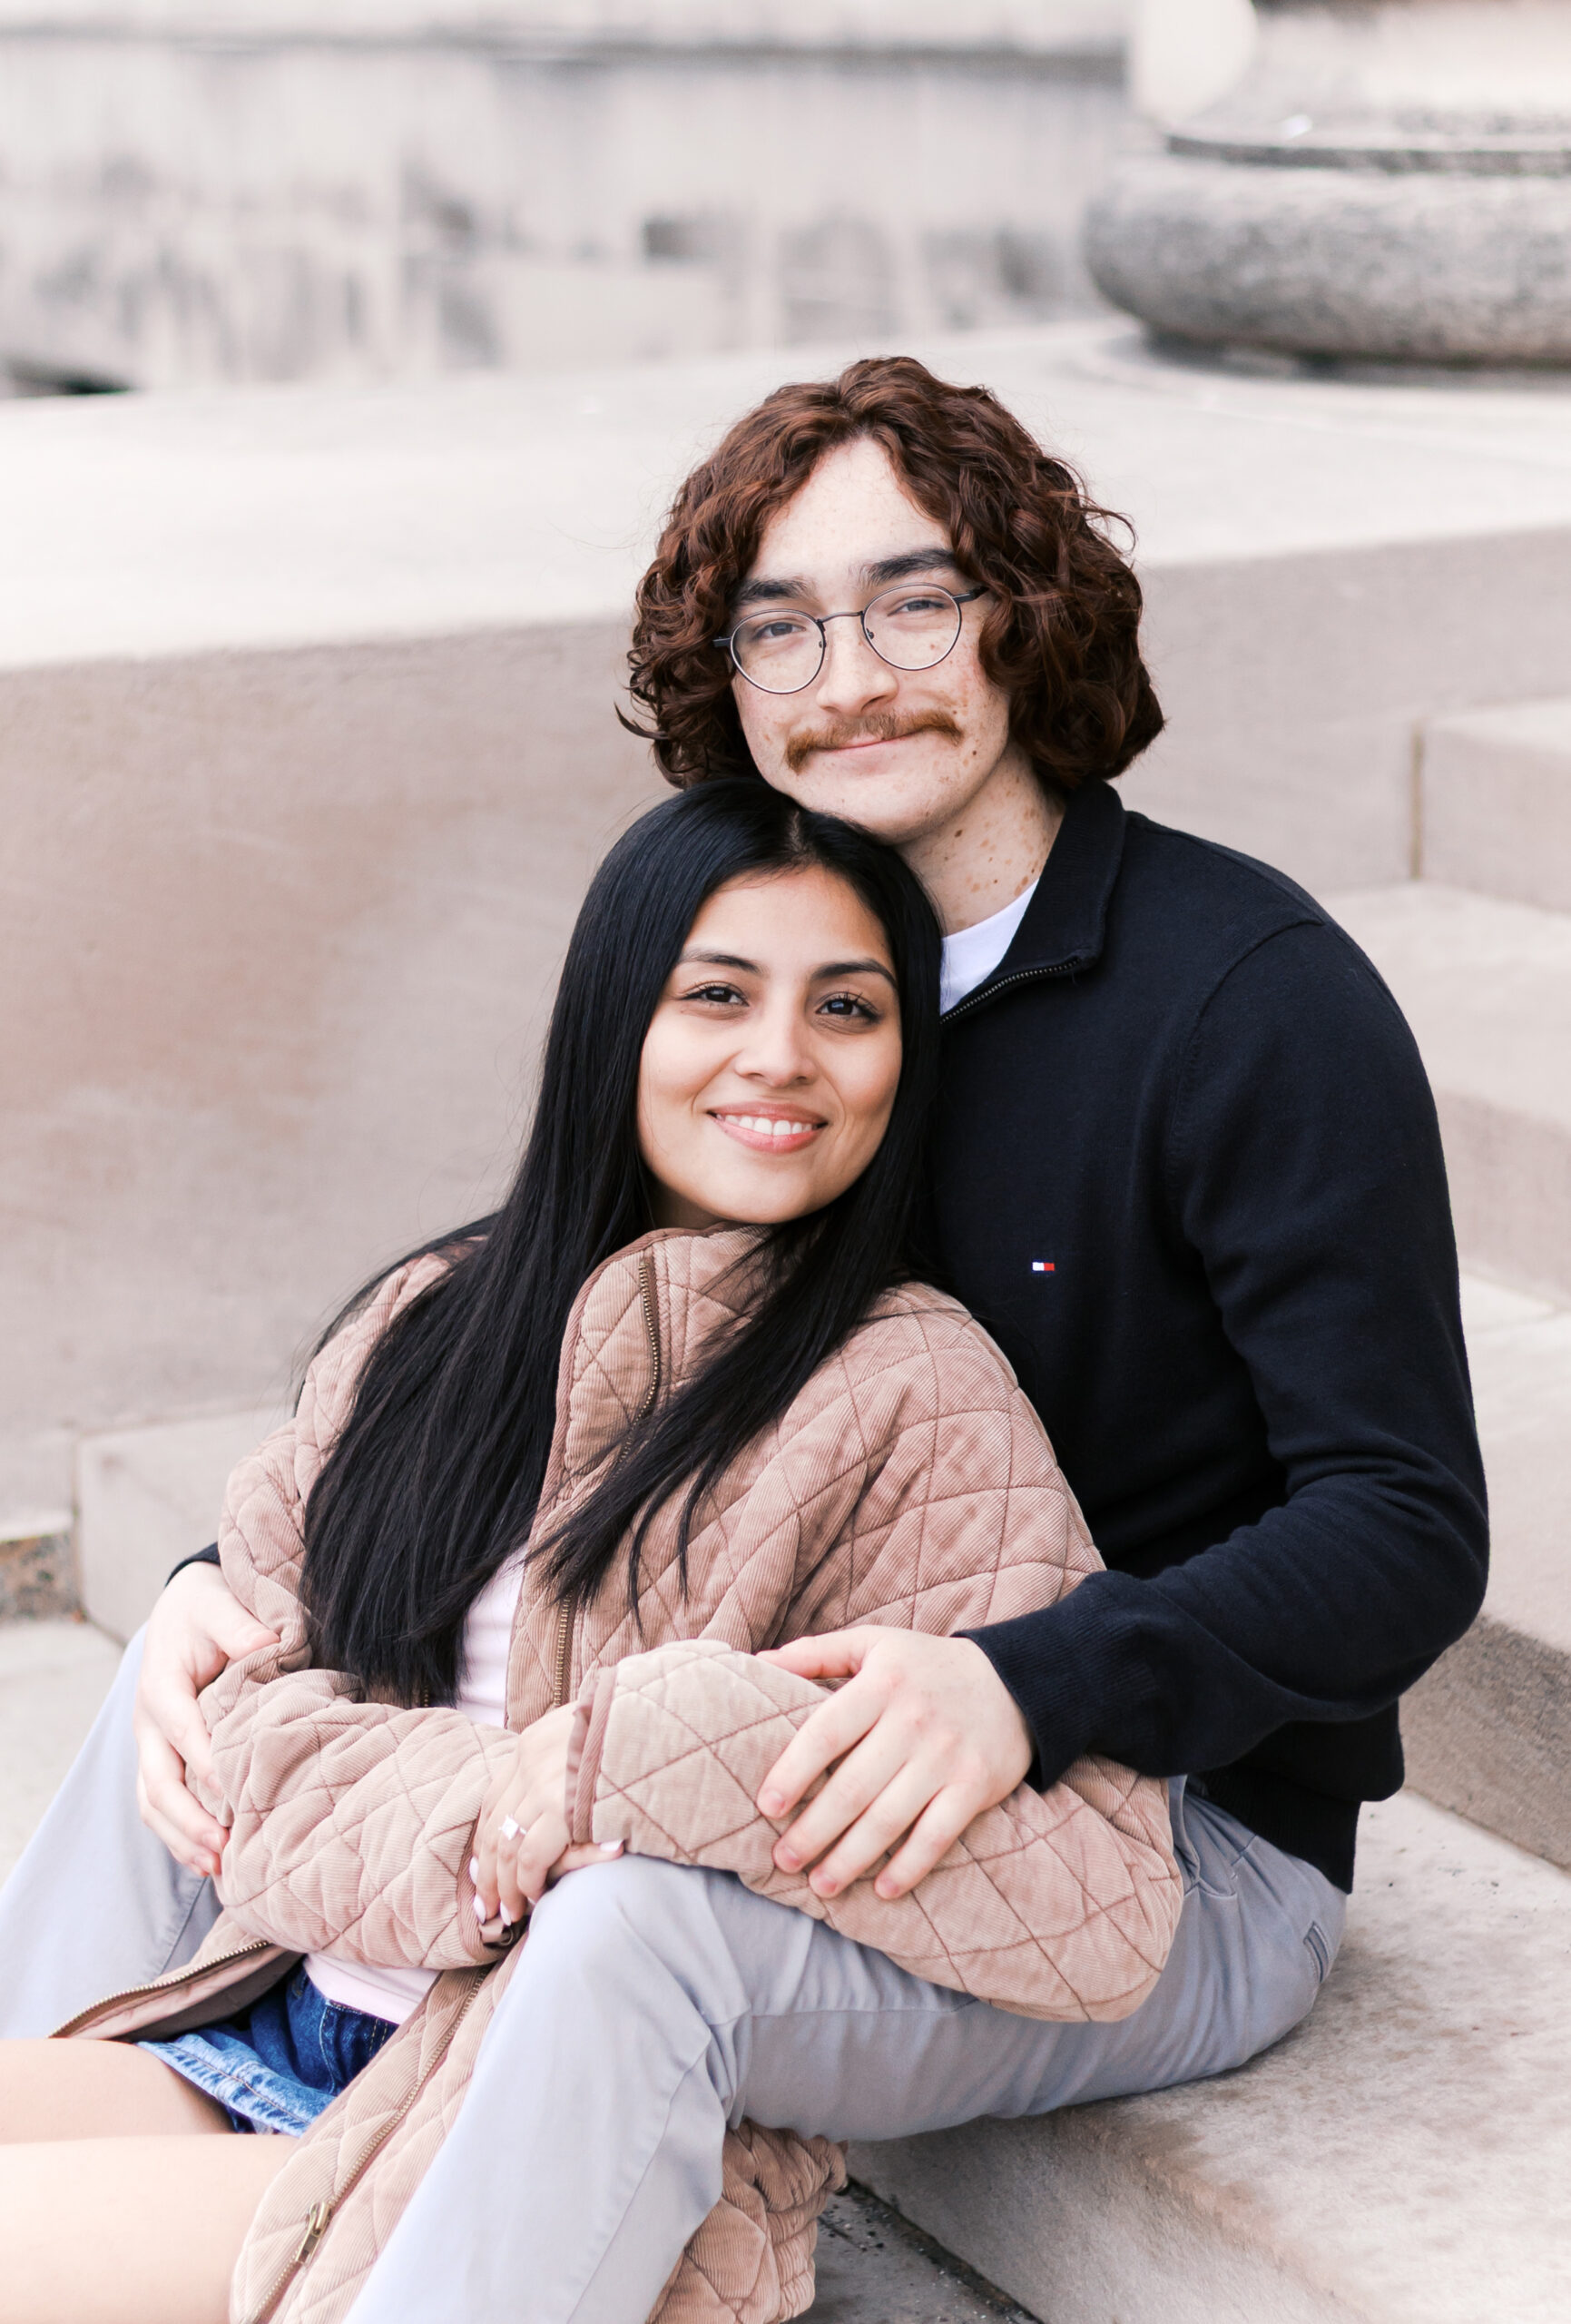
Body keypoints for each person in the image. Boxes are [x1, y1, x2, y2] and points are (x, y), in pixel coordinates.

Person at [0, 357, 1487, 2324]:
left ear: (1025, 612)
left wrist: (1022, 1685)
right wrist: (235, 1580)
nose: (846, 671)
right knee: (175, 1694)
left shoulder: (1246, 1000)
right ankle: (113, 2120)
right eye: (778, 623)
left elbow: (1399, 1525)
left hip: (1157, 1828)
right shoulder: (787, 968)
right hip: (767, 1744)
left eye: (911, 600)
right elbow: (552, 1346)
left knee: (632, 1929)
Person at [0, 780, 1180, 2324]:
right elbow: (246, 1706)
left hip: (478, 2126)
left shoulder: (914, 1391)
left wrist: (645, 1757)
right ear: (615, 1019)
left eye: (848, 1006)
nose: (781, 1056)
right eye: (717, 995)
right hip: (249, 2021)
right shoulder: (434, 1322)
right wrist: (496, 1794)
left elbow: (1095, 1894)